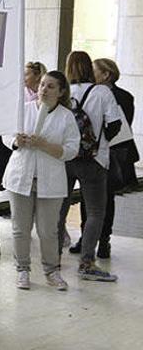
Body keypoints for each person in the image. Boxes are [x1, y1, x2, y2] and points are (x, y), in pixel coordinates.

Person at [3, 70, 79, 291]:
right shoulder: (24, 110)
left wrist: (45, 145)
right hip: (21, 176)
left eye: (51, 86)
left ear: (61, 91)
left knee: (48, 230)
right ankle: (22, 270)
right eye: (42, 85)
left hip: (50, 180)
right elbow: (6, 135)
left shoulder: (66, 116)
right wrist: (16, 141)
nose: (44, 89)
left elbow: (72, 149)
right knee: (20, 228)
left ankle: (51, 270)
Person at [58, 51, 122, 282]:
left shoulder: (62, 91)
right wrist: (98, 141)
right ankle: (86, 262)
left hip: (64, 158)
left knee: (60, 208)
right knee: (95, 212)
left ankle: (54, 259)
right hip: (94, 160)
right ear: (89, 68)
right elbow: (114, 125)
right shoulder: (102, 91)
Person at [88, 58, 139, 258]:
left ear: (106, 74)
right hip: (94, 153)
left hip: (112, 153)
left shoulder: (123, 97)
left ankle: (103, 240)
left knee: (105, 197)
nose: (90, 74)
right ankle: (91, 238)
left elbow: (122, 128)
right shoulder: (90, 93)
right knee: (91, 197)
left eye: (94, 71)